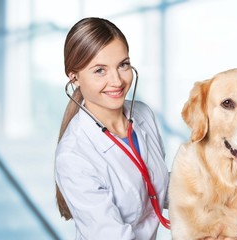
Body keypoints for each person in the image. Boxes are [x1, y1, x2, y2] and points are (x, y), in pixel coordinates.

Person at [54, 17, 169, 240]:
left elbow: (155, 187)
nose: (117, 81)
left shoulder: (143, 114)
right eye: (100, 70)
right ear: (74, 77)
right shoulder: (73, 156)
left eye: (123, 65)